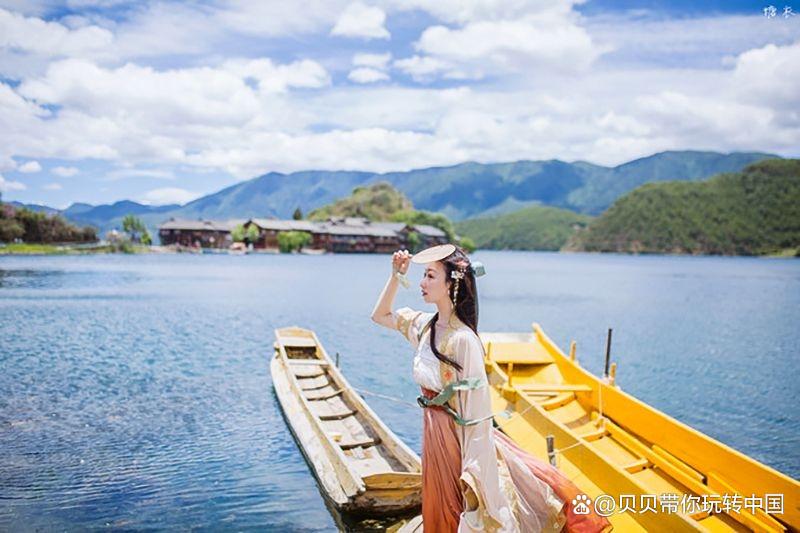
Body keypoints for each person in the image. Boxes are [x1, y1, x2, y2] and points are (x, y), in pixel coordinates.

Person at [371, 244, 612, 533]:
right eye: (423, 275)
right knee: (437, 506)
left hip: (455, 436)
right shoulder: (424, 326)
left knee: (455, 508)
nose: (422, 283)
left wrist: (476, 470)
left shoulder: (463, 341)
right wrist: (396, 275)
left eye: (430, 276)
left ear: (451, 284)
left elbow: (477, 413)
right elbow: (380, 315)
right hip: (433, 430)